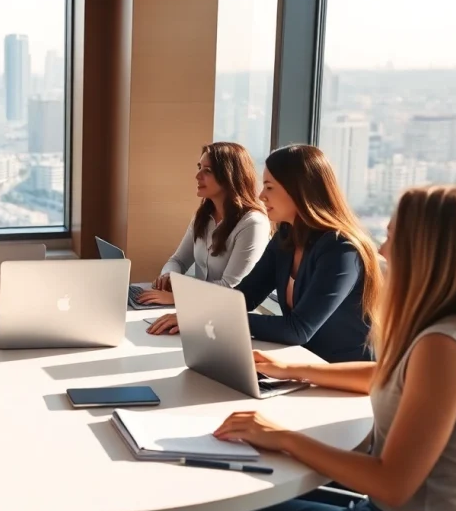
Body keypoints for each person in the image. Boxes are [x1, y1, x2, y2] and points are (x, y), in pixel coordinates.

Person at [211, 186, 456, 511]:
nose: (382, 250)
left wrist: (282, 436)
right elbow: (387, 374)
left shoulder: (445, 349)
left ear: (426, 254)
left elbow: (391, 484)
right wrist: (293, 368)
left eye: (392, 237)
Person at [147, 145, 381, 364]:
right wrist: (193, 314)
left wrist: (202, 319)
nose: (261, 196)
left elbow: (297, 329)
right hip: (296, 364)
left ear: (299, 191)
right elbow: (244, 297)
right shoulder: (286, 236)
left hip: (339, 376)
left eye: (269, 187)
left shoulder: (341, 249)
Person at [135, 142, 269, 307]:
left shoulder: (253, 224)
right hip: (198, 308)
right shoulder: (203, 216)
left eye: (208, 171)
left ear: (229, 176)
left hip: (230, 315)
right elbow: (178, 260)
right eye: (199, 167)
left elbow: (230, 286)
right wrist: (168, 276)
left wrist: (178, 296)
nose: (198, 175)